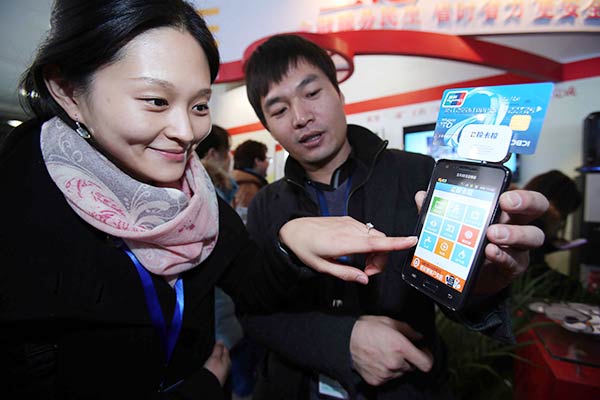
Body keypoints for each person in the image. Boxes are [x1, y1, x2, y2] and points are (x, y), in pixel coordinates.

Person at [0, 4, 421, 399]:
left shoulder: (198, 198)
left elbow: (253, 290)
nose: (186, 131)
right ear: (69, 91)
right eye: (156, 101)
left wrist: (285, 242)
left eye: (200, 104)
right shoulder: (21, 213)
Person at [242, 34, 549, 399]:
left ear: (339, 94)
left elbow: (456, 298)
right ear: (268, 126)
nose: (301, 117)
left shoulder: (418, 174)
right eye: (278, 110)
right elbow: (253, 313)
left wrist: (482, 282)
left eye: (312, 93)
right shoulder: (265, 205)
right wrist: (342, 341)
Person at [523, 170, 583, 264]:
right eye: (563, 215)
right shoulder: (539, 220)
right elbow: (533, 270)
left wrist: (550, 245)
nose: (561, 222)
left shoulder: (524, 218)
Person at [196, 124, 238, 205]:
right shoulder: (218, 191)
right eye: (227, 150)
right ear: (212, 153)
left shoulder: (190, 182)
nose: (230, 157)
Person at [231, 139, 269, 220]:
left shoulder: (236, 181)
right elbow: (246, 220)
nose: (267, 163)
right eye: (266, 159)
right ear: (257, 161)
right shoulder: (248, 186)